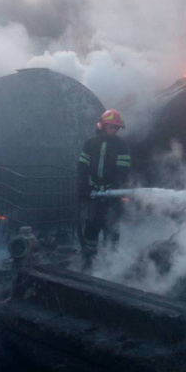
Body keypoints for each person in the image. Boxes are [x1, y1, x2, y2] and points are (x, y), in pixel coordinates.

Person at [77, 109, 131, 266]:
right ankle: (88, 261)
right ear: (102, 125)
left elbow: (123, 172)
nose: (113, 130)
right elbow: (82, 166)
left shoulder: (121, 146)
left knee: (112, 230)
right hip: (94, 193)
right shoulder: (90, 144)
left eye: (116, 128)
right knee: (91, 228)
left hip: (112, 195)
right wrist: (84, 187)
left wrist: (112, 190)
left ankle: (110, 264)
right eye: (110, 127)